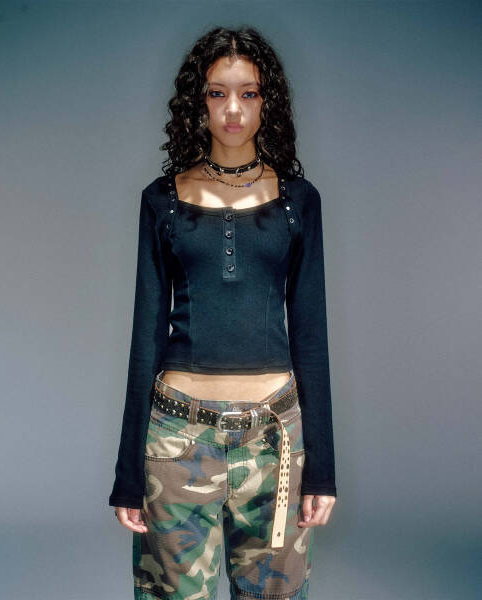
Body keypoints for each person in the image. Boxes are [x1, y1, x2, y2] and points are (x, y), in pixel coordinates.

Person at [109, 26, 337, 600]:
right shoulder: (161, 200)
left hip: (276, 441)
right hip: (177, 440)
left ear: (267, 101)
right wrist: (127, 473)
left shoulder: (298, 202)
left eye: (248, 93)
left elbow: (311, 337)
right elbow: (145, 336)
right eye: (218, 93)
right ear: (200, 101)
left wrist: (324, 470)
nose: (233, 109)